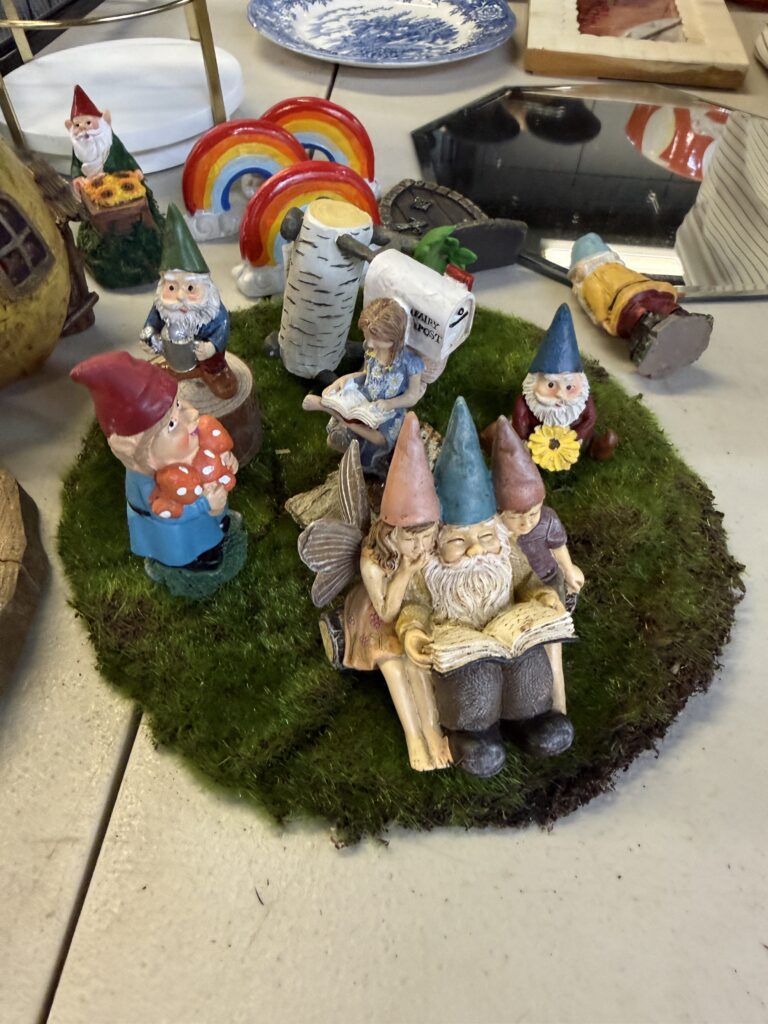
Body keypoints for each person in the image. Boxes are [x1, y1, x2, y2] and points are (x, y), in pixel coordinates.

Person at [397, 398, 575, 777]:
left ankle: (533, 720)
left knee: (528, 674)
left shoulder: (506, 554)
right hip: (462, 652)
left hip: (512, 638)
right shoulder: (427, 571)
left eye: (484, 537)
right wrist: (412, 631)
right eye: (458, 541)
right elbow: (413, 605)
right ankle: (475, 736)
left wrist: (542, 596)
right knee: (473, 690)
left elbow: (527, 580)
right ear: (437, 543)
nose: (475, 550)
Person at [70, 351, 244, 595]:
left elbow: (213, 464)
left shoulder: (186, 447)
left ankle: (219, 527)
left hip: (210, 506)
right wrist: (204, 505)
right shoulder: (148, 482)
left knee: (214, 521)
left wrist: (225, 461)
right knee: (192, 542)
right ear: (141, 449)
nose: (192, 415)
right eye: (172, 424)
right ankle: (196, 558)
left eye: (179, 405)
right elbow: (165, 514)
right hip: (180, 532)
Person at [491, 415, 584, 716]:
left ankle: (558, 703)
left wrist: (568, 571)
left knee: (551, 639)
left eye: (533, 513)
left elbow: (558, 548)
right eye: (516, 517)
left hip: (546, 580)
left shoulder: (547, 521)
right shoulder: (494, 531)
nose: (526, 523)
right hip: (512, 587)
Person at [302, 298, 424, 475]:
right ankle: (345, 424)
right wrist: (343, 380)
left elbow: (413, 396)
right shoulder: (372, 350)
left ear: (395, 337)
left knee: (381, 439)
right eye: (367, 337)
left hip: (388, 410)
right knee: (348, 412)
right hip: (365, 398)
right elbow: (366, 373)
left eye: (377, 340)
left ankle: (336, 416)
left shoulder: (410, 363)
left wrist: (389, 404)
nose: (370, 344)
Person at [568, 233, 712, 378]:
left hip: (624, 303)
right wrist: (670, 290)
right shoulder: (616, 267)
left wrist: (602, 318)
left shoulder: (591, 280)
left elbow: (597, 297)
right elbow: (638, 277)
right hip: (647, 289)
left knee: (640, 320)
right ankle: (678, 318)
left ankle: (652, 340)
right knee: (663, 303)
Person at [140, 205, 237, 400]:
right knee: (168, 351)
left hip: (205, 353)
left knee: (213, 359)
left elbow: (222, 326)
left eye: (191, 288)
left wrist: (212, 346)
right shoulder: (162, 307)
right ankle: (174, 368)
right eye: (172, 287)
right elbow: (152, 322)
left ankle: (216, 373)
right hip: (174, 351)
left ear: (205, 286)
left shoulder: (212, 309)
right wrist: (148, 335)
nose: (180, 297)